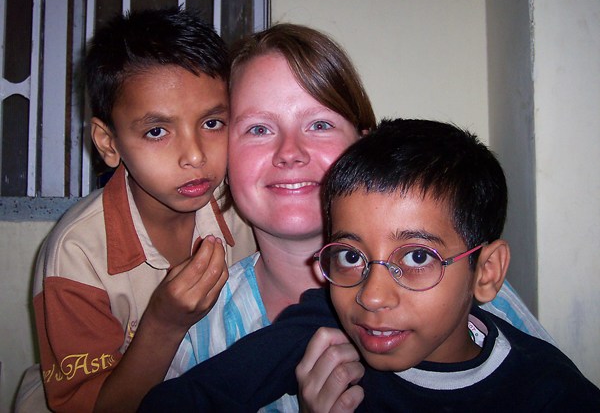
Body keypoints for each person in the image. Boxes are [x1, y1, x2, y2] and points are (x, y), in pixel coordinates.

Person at [139, 118, 600, 412]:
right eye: (350, 256)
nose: (372, 297)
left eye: (417, 257)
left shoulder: (548, 389)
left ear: (487, 272)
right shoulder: (321, 328)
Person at [18, 7, 255, 413]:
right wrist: (163, 324)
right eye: (157, 131)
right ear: (108, 144)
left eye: (212, 123)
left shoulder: (245, 210)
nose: (195, 155)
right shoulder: (76, 254)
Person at [165, 23, 378, 411]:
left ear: (364, 145)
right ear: (223, 158)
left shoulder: (457, 291)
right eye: (259, 129)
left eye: (320, 124)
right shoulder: (195, 338)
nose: (290, 152)